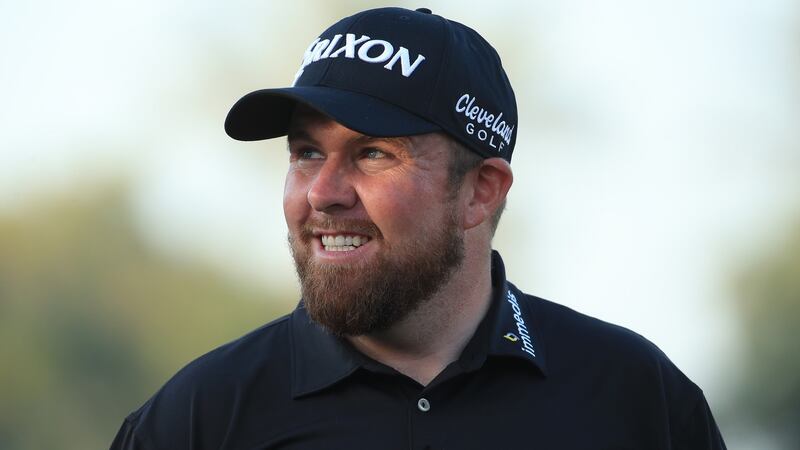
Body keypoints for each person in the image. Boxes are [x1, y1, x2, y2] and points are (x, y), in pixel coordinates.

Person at [111, 7, 726, 449]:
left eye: (373, 154)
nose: (323, 192)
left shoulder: (634, 399)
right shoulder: (198, 419)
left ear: (480, 191)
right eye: (305, 153)